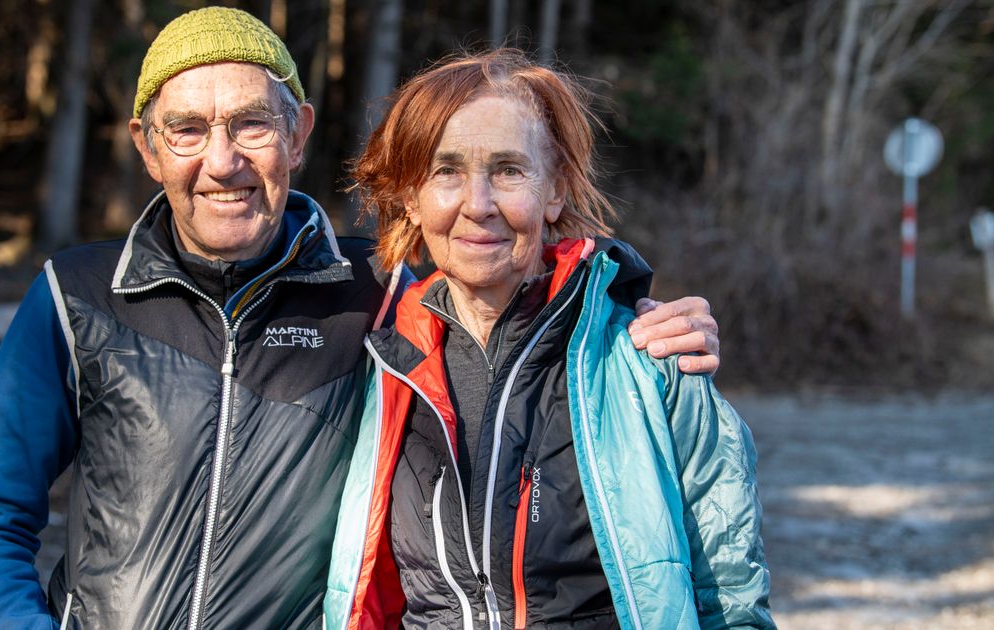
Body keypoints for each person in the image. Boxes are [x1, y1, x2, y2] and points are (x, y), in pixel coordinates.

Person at [0, 8, 723, 629]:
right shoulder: (77, 297)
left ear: (298, 135)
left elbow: (500, 282)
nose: (223, 161)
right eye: (187, 130)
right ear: (148, 147)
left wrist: (628, 323)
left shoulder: (378, 294)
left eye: (252, 123)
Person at [324, 49, 773, 629]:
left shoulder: (652, 363)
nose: (478, 205)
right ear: (411, 198)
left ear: (555, 191)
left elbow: (732, 600)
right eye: (446, 171)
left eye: (509, 170)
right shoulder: (379, 369)